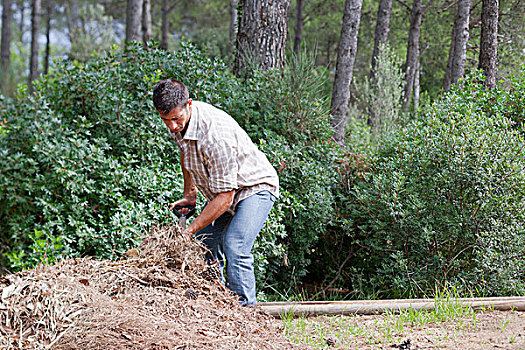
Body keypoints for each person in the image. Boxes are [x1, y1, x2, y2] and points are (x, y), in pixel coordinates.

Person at [152, 78, 279, 306]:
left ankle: (245, 312)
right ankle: (216, 303)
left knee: (235, 244)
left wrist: (188, 230)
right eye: (165, 120)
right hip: (224, 191)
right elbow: (185, 154)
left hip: (254, 187)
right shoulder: (179, 123)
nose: (172, 126)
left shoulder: (214, 136)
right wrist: (190, 194)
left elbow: (226, 197)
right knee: (204, 241)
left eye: (175, 119)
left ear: (188, 104)